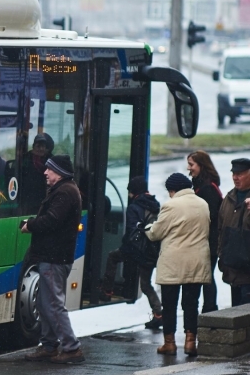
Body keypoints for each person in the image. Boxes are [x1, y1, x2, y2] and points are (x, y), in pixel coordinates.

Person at [22, 154, 85, 364]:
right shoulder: (64, 190)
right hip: (52, 255)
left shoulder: (65, 192)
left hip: (54, 257)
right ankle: (49, 345)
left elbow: (52, 221)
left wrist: (30, 225)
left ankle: (71, 347)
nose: (45, 172)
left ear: (59, 173)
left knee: (52, 304)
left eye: (49, 169)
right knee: (43, 302)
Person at [145, 173, 211, 356]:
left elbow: (156, 233)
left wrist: (146, 228)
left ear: (173, 190)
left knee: (170, 303)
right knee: (191, 303)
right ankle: (190, 342)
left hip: (174, 262)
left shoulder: (170, 205)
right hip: (197, 260)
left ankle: (170, 343)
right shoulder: (203, 204)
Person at [99, 176, 163, 329]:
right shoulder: (155, 204)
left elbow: (131, 232)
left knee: (113, 257)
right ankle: (158, 313)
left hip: (136, 249)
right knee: (146, 284)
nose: (128, 194)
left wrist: (125, 246)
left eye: (129, 191)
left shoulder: (134, 207)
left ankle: (107, 291)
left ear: (134, 191)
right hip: (152, 250)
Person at [187, 150, 223, 313]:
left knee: (206, 276)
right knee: (205, 276)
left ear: (201, 165)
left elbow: (210, 216)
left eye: (191, 164)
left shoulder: (207, 188)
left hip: (209, 241)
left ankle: (209, 310)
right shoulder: (203, 185)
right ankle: (209, 309)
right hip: (206, 240)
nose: (189, 168)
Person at [217, 158, 250, 307]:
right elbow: (221, 230)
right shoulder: (229, 198)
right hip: (233, 270)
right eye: (234, 174)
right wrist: (222, 257)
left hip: (248, 272)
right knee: (236, 317)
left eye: (240, 174)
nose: (235, 178)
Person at [20, 133, 54, 213]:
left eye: (43, 146)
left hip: (44, 196)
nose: (41, 149)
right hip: (28, 198)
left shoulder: (51, 160)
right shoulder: (26, 159)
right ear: (33, 147)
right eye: (38, 146)